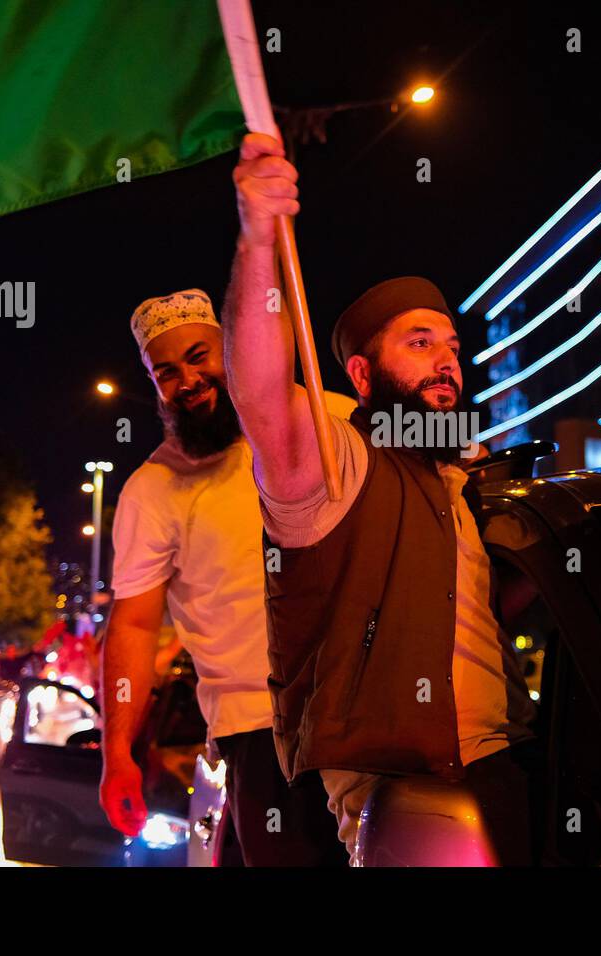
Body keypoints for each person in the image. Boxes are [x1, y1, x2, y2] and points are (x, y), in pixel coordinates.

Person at [223, 133, 538, 864]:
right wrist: (256, 240)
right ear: (363, 378)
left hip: (502, 768)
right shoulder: (338, 465)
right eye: (420, 344)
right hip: (402, 798)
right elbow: (263, 394)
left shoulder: (458, 478)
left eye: (454, 347)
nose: (447, 364)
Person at [99, 288, 350, 866]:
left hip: (368, 711)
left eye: (198, 357)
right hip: (259, 735)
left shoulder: (326, 419)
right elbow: (134, 626)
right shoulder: (152, 490)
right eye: (167, 373)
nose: (187, 379)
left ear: (233, 349)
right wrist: (117, 755)